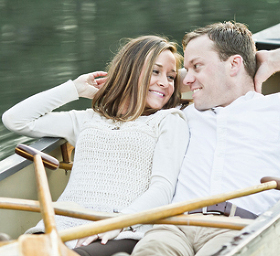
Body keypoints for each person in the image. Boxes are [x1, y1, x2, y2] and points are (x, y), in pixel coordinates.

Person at [130, 22, 280, 256]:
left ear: (234, 64)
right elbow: (126, 99)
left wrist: (271, 61)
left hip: (239, 230)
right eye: (186, 70)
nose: (186, 79)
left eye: (196, 67)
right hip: (173, 227)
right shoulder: (181, 115)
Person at [2, 35, 189, 255]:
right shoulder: (89, 119)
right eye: (155, 72)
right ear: (129, 71)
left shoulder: (169, 120)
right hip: (62, 225)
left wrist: (117, 222)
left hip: (120, 230)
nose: (164, 83)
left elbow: (163, 188)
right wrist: (74, 89)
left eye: (171, 77)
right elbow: (15, 119)